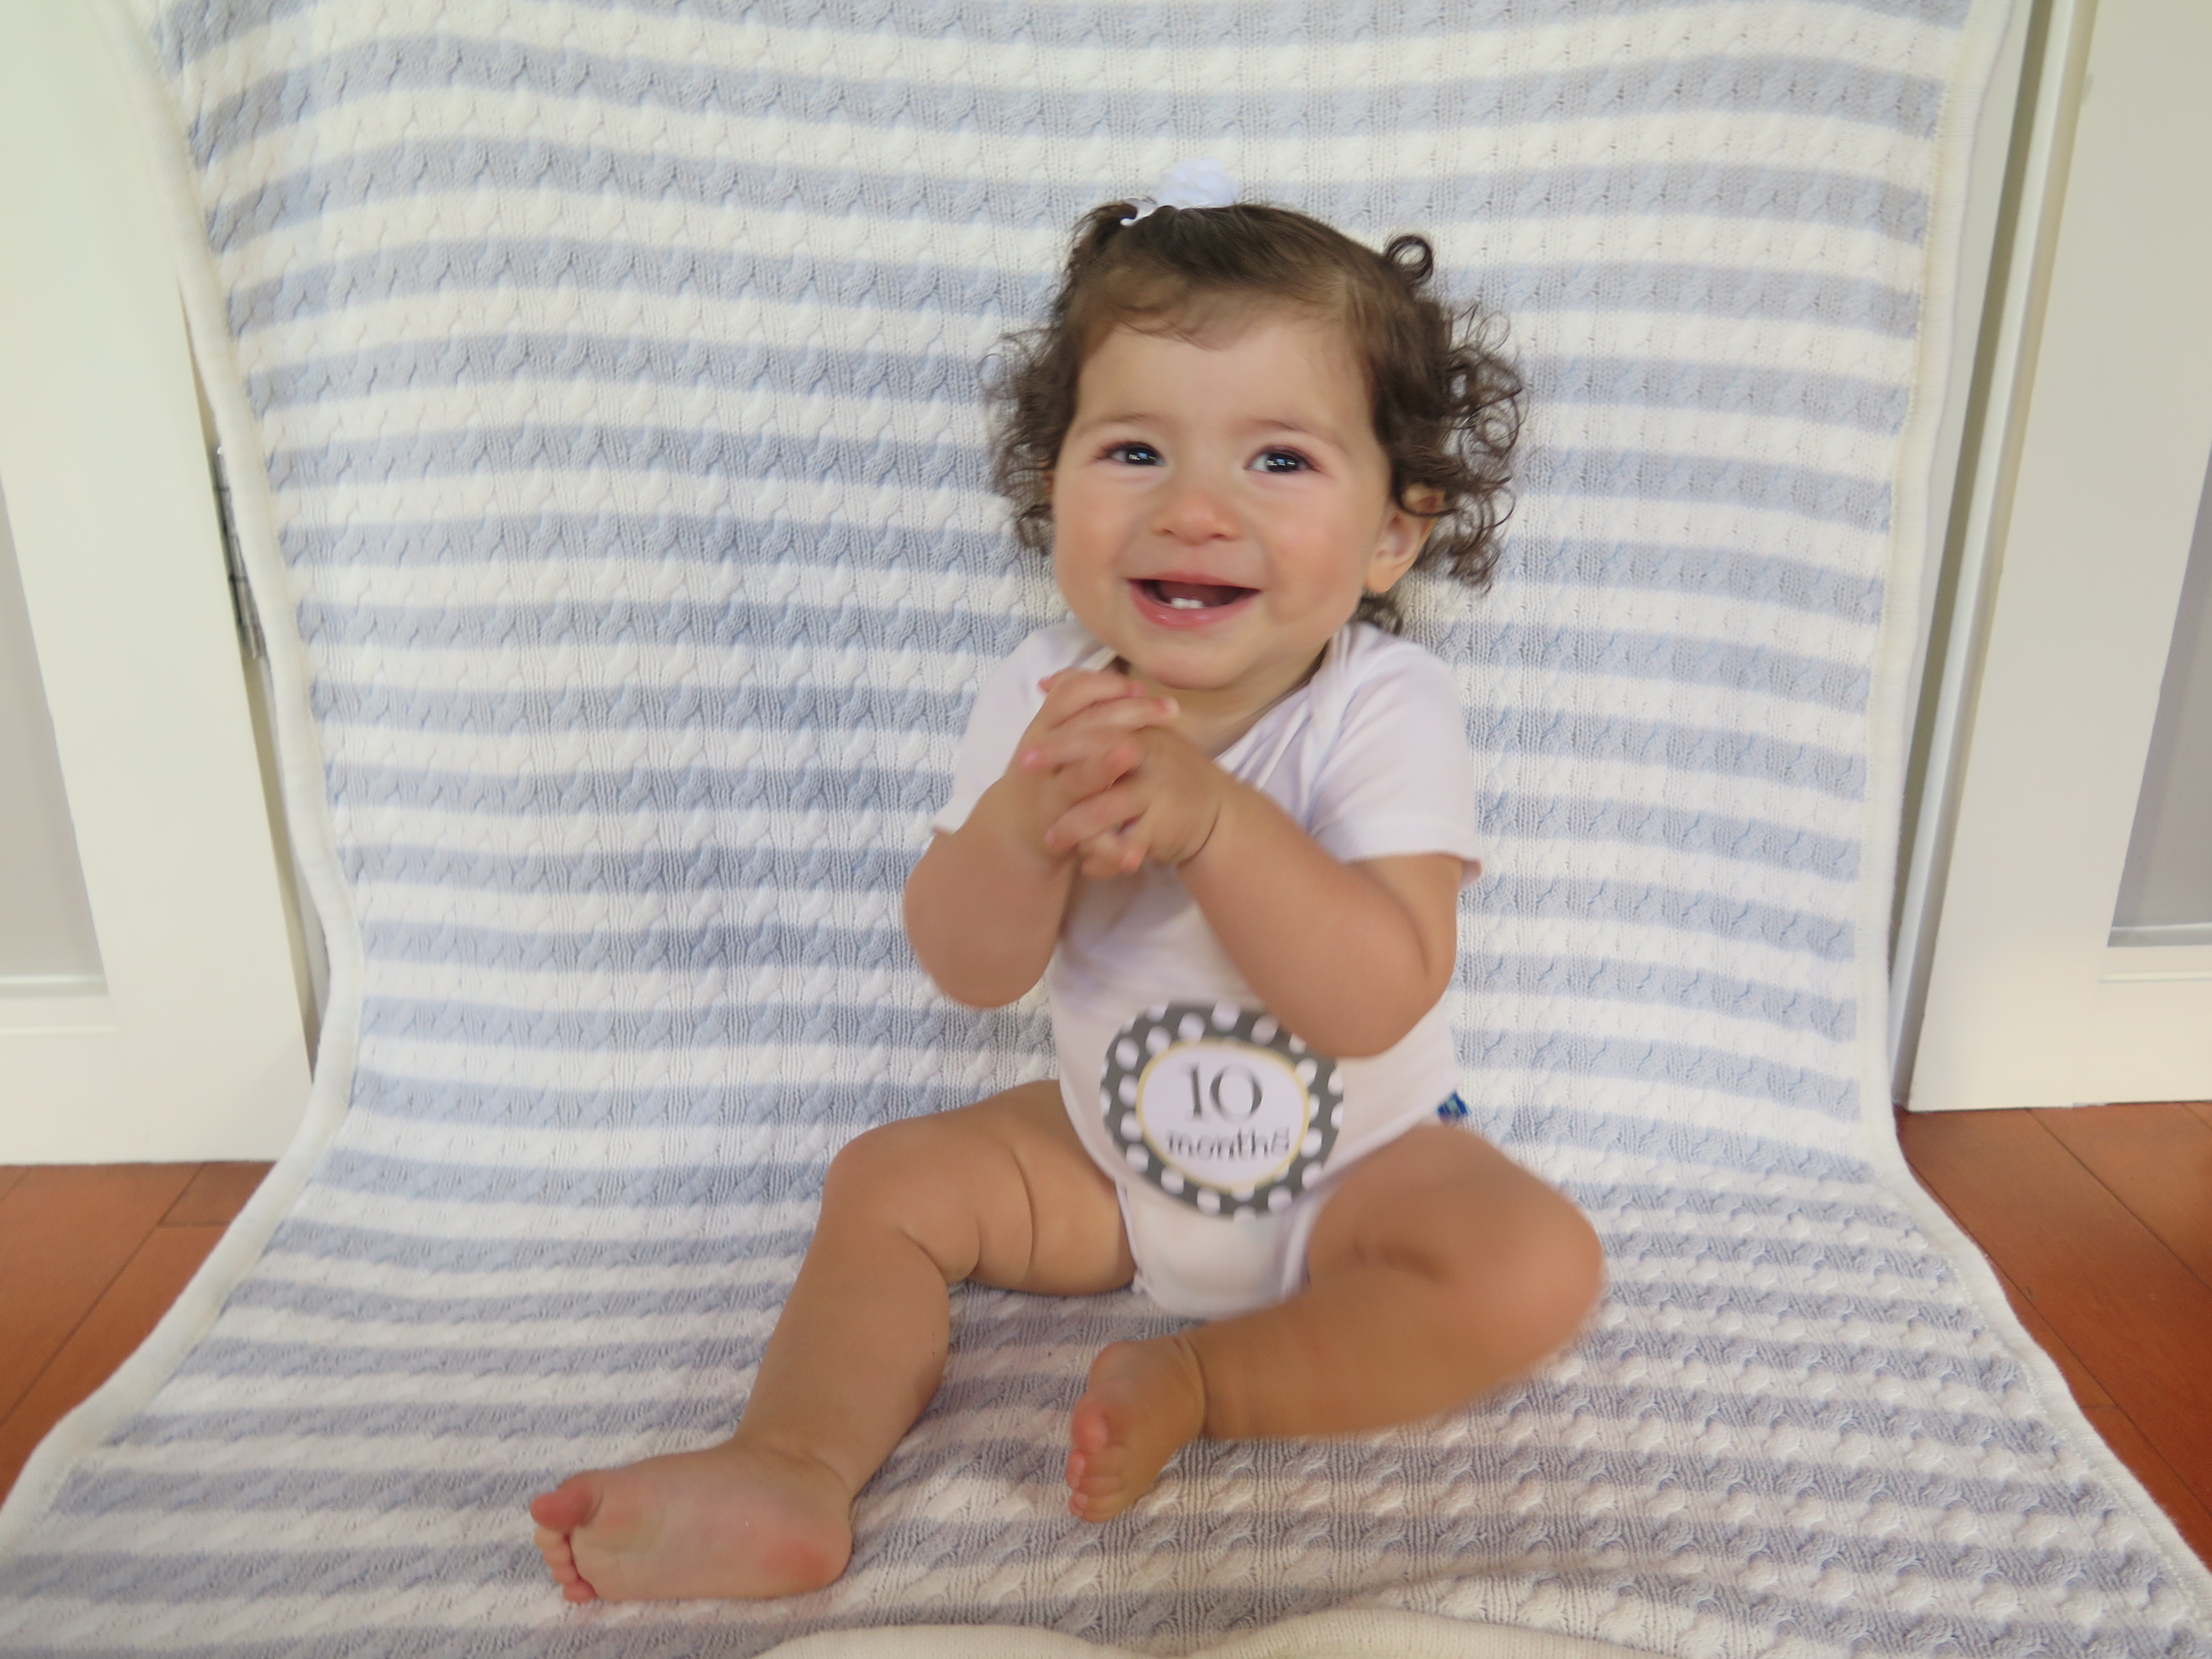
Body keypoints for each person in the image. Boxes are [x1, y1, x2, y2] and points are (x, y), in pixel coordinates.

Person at [530, 192, 1605, 1604]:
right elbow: (969, 969)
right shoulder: (1045, 696)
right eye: (1134, 450)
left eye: (1279, 458)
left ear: (1393, 535)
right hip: (1111, 1163)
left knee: (1532, 1262)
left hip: (1359, 1174)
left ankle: (1205, 1382)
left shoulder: (1383, 706)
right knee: (887, 1184)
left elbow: (1377, 994)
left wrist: (1213, 820)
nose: (1193, 508)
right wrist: (1019, 827)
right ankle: (791, 1463)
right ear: (1055, 488)